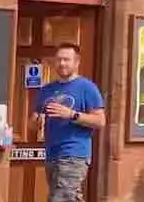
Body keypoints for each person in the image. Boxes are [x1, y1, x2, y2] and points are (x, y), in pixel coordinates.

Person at [35, 42, 105, 202]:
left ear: (76, 62)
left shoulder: (87, 87)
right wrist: (36, 121)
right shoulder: (46, 90)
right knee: (63, 197)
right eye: (59, 60)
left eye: (66, 59)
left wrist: (72, 115)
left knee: (62, 198)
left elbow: (100, 121)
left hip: (74, 153)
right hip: (52, 154)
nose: (62, 63)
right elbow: (33, 120)